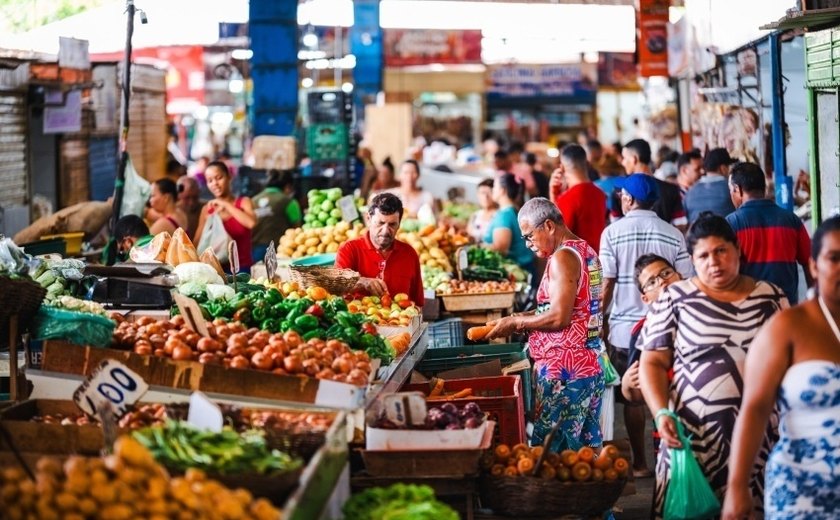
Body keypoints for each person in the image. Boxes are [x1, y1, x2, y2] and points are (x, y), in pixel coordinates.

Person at [639, 213, 787, 519]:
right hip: (692, 439)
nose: (714, 262)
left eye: (721, 251)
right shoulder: (674, 298)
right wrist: (660, 412)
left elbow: (790, 364)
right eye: (703, 255)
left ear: (737, 250)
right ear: (692, 260)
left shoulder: (770, 298)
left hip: (762, 441)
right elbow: (652, 361)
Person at [723, 216, 840, 520]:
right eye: (834, 258)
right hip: (802, 489)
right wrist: (737, 487)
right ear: (813, 266)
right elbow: (755, 408)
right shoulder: (787, 327)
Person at [485, 197, 604, 451]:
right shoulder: (584, 249)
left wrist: (518, 322)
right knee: (583, 456)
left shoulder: (563, 258)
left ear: (549, 226)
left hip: (565, 372)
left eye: (529, 236)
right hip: (588, 366)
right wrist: (519, 317)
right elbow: (562, 307)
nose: (528, 245)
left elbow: (560, 316)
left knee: (554, 457)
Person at [599, 173, 692, 478]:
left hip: (627, 329)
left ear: (627, 198)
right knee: (669, 390)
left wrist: (599, 320)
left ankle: (640, 463)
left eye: (621, 195)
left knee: (633, 396)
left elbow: (607, 283)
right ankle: (671, 453)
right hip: (670, 328)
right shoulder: (673, 234)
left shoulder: (612, 233)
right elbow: (687, 281)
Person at [726, 162, 813, 305]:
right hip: (786, 308)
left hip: (747, 310)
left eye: (731, 191)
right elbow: (809, 262)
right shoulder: (792, 220)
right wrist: (812, 298)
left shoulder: (731, 223)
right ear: (764, 188)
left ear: (738, 190)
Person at [335, 193, 424, 305]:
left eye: (392, 224)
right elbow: (337, 286)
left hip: (399, 322)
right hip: (358, 320)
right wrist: (363, 282)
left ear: (399, 224)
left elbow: (418, 303)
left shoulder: (409, 254)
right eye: (380, 223)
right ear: (368, 219)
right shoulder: (349, 249)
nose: (385, 230)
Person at [193, 161, 256, 271]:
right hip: (215, 270)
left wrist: (225, 204)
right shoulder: (207, 210)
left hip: (242, 270)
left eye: (219, 178)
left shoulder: (243, 202)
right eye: (210, 181)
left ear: (229, 177)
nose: (215, 183)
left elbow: (251, 223)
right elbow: (197, 243)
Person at [619, 139, 687, 231]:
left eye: (624, 158)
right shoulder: (671, 189)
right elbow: (680, 226)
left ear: (634, 159)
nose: (622, 162)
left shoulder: (621, 192)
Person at [550, 144, 607, 253]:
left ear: (561, 167)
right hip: (597, 260)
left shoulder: (567, 198)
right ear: (587, 164)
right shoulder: (600, 194)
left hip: (577, 263)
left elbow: (557, 238)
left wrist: (553, 195)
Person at [485, 173, 535, 277]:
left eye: (494, 187)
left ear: (502, 190)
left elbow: (501, 248)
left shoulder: (504, 215)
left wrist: (477, 246)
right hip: (526, 268)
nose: (492, 190)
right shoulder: (514, 210)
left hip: (517, 273)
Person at [251, 169, 302, 263]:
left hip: (255, 251)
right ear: (288, 186)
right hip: (280, 252)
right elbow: (297, 229)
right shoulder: (289, 202)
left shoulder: (253, 200)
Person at [684, 148, 738, 224]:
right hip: (725, 234)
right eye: (729, 167)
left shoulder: (689, 192)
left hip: (697, 234)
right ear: (723, 168)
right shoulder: (731, 189)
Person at [467, 178, 497, 243]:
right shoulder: (475, 216)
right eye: (482, 193)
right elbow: (468, 237)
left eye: (489, 193)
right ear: (478, 195)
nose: (485, 197)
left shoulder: (499, 216)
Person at [176, 176, 203, 240]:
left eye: (195, 197)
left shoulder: (206, 209)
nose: (191, 202)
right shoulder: (173, 213)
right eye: (187, 198)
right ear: (178, 195)